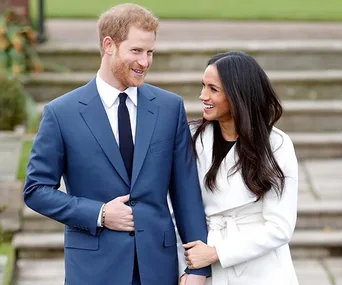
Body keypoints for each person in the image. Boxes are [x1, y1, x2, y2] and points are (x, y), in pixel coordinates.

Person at [23, 4, 210, 285]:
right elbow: (36, 190)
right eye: (136, 51)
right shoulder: (62, 113)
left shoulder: (169, 108)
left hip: (157, 269)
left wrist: (198, 269)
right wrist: (98, 214)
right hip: (93, 269)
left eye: (150, 52)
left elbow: (186, 192)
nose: (145, 62)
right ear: (109, 45)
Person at [178, 51, 299, 285]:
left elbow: (280, 227)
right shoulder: (192, 139)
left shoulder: (276, 145)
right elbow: (179, 208)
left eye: (213, 89)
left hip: (262, 271)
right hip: (205, 268)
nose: (202, 95)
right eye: (203, 86)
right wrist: (191, 268)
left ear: (238, 95)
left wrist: (216, 253)